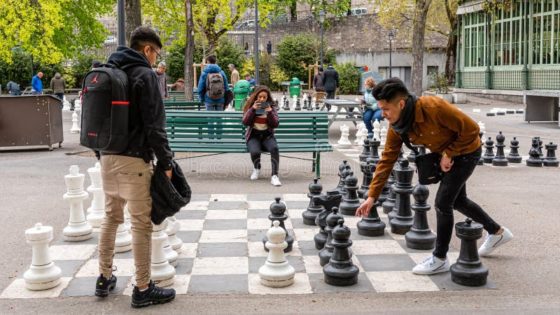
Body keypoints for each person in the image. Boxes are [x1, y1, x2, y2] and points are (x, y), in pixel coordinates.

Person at [355, 78, 513, 275]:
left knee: (442, 202)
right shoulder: (398, 126)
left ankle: (439, 258)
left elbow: (472, 129)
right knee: (458, 201)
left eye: (386, 109)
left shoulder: (433, 107)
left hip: (468, 151)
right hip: (448, 156)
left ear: (401, 104)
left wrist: (449, 152)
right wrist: (372, 197)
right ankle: (497, 232)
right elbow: (387, 159)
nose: (383, 114)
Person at [95, 26, 176, 308]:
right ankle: (142, 288)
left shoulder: (107, 71)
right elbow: (155, 125)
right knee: (141, 225)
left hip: (107, 158)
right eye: (156, 54)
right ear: (147, 50)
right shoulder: (144, 75)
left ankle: (104, 278)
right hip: (134, 160)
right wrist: (166, 162)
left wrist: (101, 154)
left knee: (111, 218)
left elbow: (93, 119)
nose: (156, 60)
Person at [242, 86, 281, 186]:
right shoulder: (251, 105)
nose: (262, 99)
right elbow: (245, 122)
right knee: (255, 151)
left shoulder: (271, 107)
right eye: (260, 97)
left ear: (268, 98)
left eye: (264, 97)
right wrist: (252, 110)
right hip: (254, 135)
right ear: (256, 97)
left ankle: (274, 176)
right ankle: (256, 168)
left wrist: (270, 112)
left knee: (274, 148)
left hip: (267, 135)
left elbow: (275, 124)